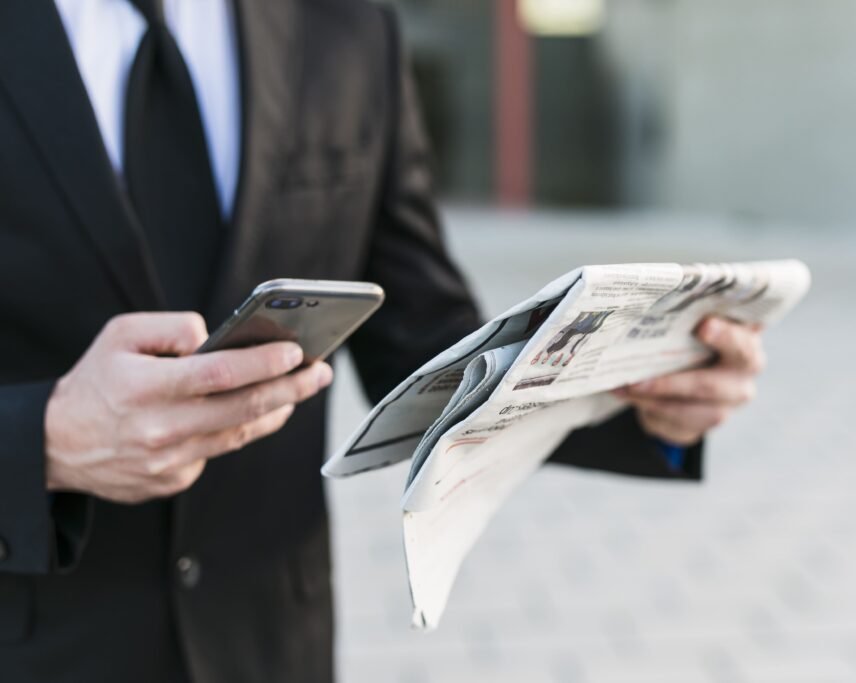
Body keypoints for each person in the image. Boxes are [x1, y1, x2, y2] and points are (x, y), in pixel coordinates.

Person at [0, 1, 764, 681]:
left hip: (269, 642)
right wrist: (46, 442)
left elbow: (424, 341)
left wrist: (641, 389)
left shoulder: (347, 27)